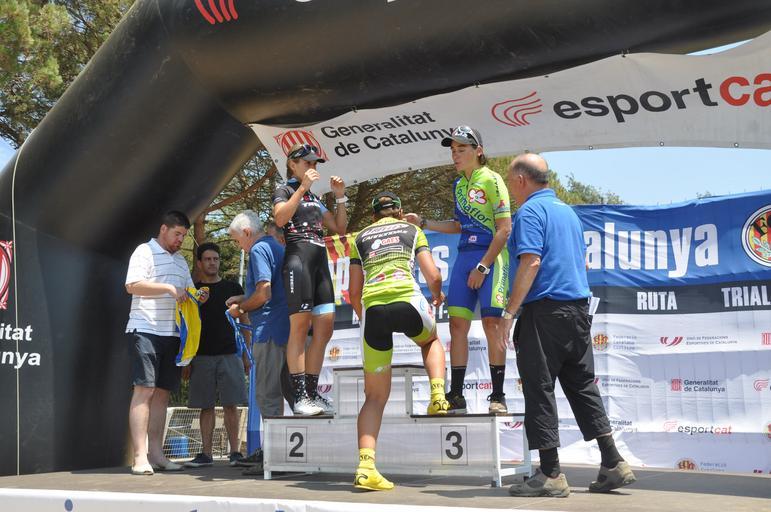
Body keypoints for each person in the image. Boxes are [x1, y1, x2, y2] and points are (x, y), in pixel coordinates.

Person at [502, 153, 636, 497]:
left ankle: (550, 473)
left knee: (539, 387)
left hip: (544, 312)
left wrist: (510, 312)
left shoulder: (529, 212)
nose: (510, 189)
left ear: (521, 180)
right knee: (582, 386)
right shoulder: (568, 213)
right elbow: (581, 263)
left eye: (510, 182)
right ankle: (613, 462)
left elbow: (531, 261)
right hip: (577, 311)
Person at [406, 126, 511, 414]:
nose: (455, 155)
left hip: (491, 258)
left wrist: (483, 266)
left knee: (492, 324)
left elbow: (504, 229)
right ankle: (456, 393)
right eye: (453, 150)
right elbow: (458, 225)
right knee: (456, 326)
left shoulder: (492, 179)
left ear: (479, 151)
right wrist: (424, 222)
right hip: (465, 257)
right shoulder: (458, 185)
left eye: (461, 149)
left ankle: (498, 395)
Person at [349, 192, 450, 491]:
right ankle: (438, 396)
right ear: (400, 211)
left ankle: (366, 468)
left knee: (374, 397)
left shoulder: (360, 238)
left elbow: (353, 292)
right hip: (408, 303)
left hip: (373, 311)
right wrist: (436, 296)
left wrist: (365, 317)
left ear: (373, 216)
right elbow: (433, 275)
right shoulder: (411, 229)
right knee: (430, 341)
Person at [125, 210, 209, 475]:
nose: (180, 240)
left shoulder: (181, 261)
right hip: (145, 329)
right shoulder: (144, 251)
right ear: (163, 229)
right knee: (144, 391)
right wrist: (168, 289)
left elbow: (188, 292)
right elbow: (132, 285)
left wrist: (198, 295)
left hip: (172, 334)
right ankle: (139, 456)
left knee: (162, 395)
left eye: (184, 235)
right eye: (177, 234)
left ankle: (157, 455)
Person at [272, 143, 348, 415]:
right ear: (292, 164)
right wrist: (302, 187)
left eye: (315, 164)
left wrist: (340, 197)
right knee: (300, 328)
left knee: (325, 329)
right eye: (308, 163)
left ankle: (313, 393)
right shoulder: (284, 189)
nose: (313, 168)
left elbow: (339, 227)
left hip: (319, 263)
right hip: (298, 260)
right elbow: (280, 219)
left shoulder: (315, 198)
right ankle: (300, 396)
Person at [182, 242, 249, 468]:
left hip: (230, 354)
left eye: (216, 259)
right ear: (200, 263)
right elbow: (185, 326)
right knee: (205, 406)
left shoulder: (233, 288)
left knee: (231, 405)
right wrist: (186, 360)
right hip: (200, 356)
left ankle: (236, 453)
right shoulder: (192, 291)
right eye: (208, 259)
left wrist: (246, 354)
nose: (212, 263)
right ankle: (206, 454)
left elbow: (245, 320)